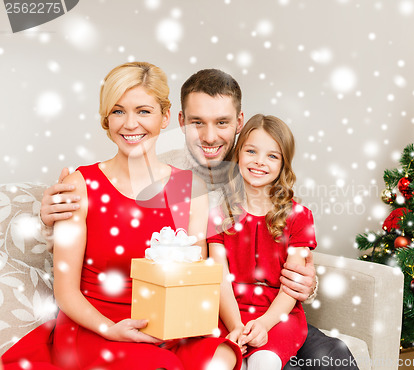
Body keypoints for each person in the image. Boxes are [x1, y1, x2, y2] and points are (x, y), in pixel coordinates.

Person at [39, 69, 358, 369]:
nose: (209, 136)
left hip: (265, 314)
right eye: (197, 123)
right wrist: (48, 213)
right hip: (214, 313)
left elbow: (290, 233)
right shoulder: (160, 169)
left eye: (221, 122)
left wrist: (307, 283)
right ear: (178, 121)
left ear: (239, 122)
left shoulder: (256, 158)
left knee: (333, 356)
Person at [2, 62, 241, 370]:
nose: (130, 124)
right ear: (107, 119)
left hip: (169, 327)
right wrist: (109, 329)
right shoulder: (80, 185)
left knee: (222, 358)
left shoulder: (190, 187)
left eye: (143, 111)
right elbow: (66, 291)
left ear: (165, 117)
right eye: (118, 111)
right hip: (97, 327)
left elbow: (195, 277)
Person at [208, 114, 316, 370]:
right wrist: (235, 326)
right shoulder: (218, 212)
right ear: (238, 155)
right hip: (226, 312)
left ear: (283, 164)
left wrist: (265, 324)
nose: (259, 162)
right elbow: (219, 278)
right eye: (251, 151)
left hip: (278, 316)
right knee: (218, 363)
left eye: (272, 156)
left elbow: (292, 286)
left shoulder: (300, 217)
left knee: (263, 361)